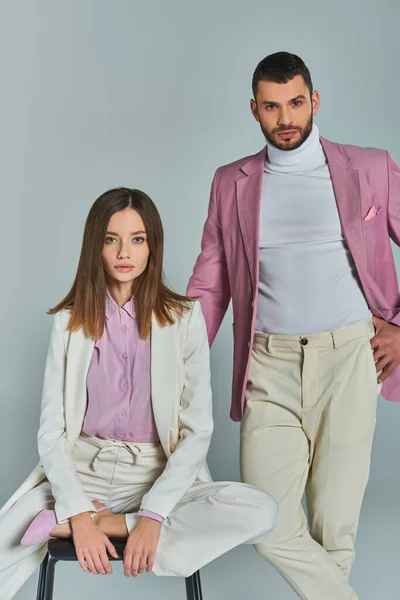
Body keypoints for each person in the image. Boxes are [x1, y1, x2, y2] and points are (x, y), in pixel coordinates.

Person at [187, 51, 400, 600]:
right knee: (267, 518)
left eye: (296, 103)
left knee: (335, 525)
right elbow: (209, 284)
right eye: (272, 107)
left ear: (315, 101)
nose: (286, 118)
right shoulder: (230, 182)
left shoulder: (370, 167)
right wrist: (177, 362)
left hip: (351, 358)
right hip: (268, 364)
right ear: (254, 109)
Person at [0, 187, 278, 599]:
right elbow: (51, 432)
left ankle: (108, 523)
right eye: (111, 239)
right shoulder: (68, 321)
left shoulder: (185, 319)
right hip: (80, 472)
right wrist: (75, 507)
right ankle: (79, 516)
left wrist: (150, 515)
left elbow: (197, 431)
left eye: (137, 239)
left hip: (156, 475)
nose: (123, 252)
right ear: (96, 246)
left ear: (153, 246)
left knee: (261, 510)